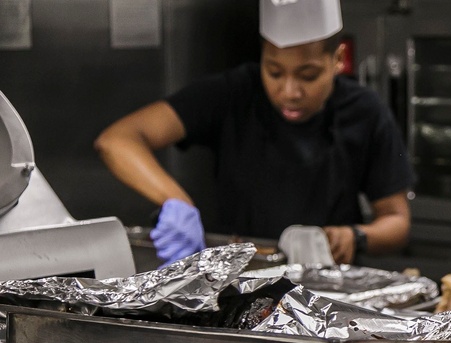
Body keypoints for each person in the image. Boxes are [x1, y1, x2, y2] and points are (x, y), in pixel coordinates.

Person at [94, 0, 413, 266]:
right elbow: (118, 140)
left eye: (308, 75)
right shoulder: (234, 93)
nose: (289, 91)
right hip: (239, 283)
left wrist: (354, 236)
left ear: (338, 59)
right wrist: (178, 203)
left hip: (326, 296)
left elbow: (397, 222)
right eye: (274, 72)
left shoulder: (365, 111)